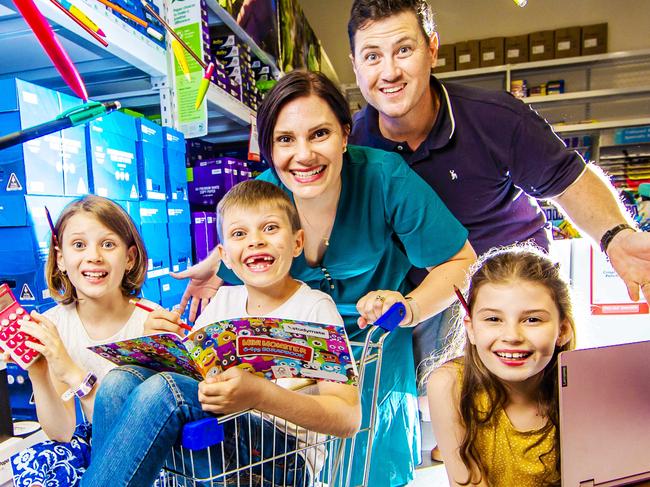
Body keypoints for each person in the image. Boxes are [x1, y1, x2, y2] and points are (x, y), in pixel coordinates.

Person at [346, 0, 650, 445]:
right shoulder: (352, 141)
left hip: (508, 277)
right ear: (355, 65)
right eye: (372, 56)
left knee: (536, 424)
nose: (389, 71)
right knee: (447, 421)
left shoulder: (493, 117)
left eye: (404, 50)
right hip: (425, 292)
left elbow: (570, 179)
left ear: (432, 49)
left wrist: (615, 236)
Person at [172, 70, 476, 486]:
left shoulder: (385, 178)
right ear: (269, 148)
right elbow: (245, 251)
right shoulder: (266, 195)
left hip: (375, 356)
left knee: (369, 469)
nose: (303, 155)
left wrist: (410, 307)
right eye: (285, 139)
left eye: (319, 134)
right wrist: (215, 268)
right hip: (293, 371)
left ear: (345, 134)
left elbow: (460, 260)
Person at [81, 180, 362, 487]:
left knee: (169, 390)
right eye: (239, 234)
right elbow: (193, 370)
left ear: (297, 243)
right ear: (225, 256)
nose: (255, 241)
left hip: (283, 461)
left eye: (269, 228)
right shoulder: (224, 301)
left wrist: (261, 395)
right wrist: (156, 347)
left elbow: (348, 418)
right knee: (119, 380)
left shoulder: (314, 308)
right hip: (219, 445)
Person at [6, 195, 154, 487]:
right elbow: (62, 434)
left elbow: (131, 434)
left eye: (108, 244)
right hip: (87, 456)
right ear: (61, 258)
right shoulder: (54, 325)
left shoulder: (149, 324)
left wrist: (71, 371)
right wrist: (38, 373)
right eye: (78, 245)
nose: (93, 256)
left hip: (142, 460)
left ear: (130, 258)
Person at [426, 245, 576, 486]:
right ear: (471, 328)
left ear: (563, 330)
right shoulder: (450, 384)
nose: (512, 336)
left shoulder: (584, 390)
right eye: (494, 319)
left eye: (532, 319)